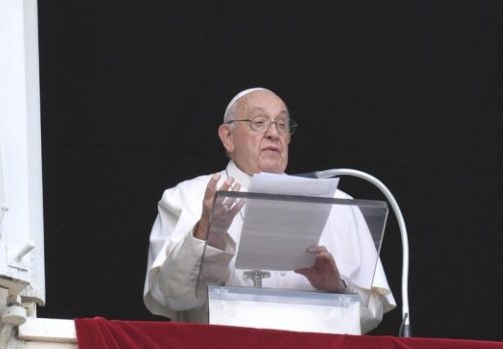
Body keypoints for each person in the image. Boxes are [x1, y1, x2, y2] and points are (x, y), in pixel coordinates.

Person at [143, 87, 395, 332]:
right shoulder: (187, 197)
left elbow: (372, 312)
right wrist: (207, 232)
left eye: (282, 125)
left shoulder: (338, 205)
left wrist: (336, 288)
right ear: (228, 137)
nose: (274, 133)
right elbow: (172, 297)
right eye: (259, 122)